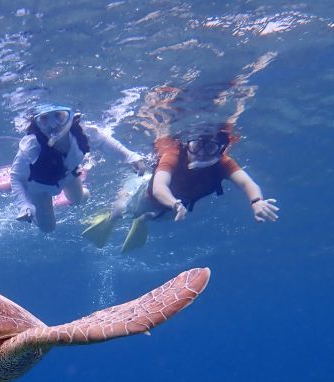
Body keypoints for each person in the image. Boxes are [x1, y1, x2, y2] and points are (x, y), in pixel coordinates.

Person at [82, 62, 280, 250]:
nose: (202, 154)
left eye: (209, 148)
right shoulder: (172, 153)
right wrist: (174, 203)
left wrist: (257, 201)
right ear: (187, 144)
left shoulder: (222, 163)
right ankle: (114, 212)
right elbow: (159, 188)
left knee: (155, 216)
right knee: (120, 211)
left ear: (220, 149)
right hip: (148, 193)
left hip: (176, 207)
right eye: (196, 146)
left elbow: (247, 183)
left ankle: (145, 219)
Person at [11, 103, 146, 233]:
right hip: (39, 188)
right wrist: (24, 205)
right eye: (44, 119)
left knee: (79, 200)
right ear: (37, 123)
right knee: (48, 229)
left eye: (58, 116)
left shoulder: (83, 133)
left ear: (70, 117)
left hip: (69, 176)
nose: (53, 125)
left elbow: (106, 142)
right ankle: (38, 208)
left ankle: (75, 194)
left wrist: (131, 157)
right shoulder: (31, 146)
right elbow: (16, 177)